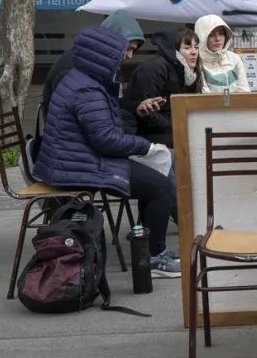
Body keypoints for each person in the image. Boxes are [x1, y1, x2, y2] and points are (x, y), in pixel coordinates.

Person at [33, 25, 181, 278]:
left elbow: (104, 133)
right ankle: (154, 256)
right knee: (159, 187)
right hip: (79, 167)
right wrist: (145, 146)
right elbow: (106, 141)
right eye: (122, 53)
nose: (125, 57)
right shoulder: (87, 90)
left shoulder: (82, 79)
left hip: (74, 160)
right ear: (102, 57)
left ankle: (144, 245)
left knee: (154, 176)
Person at [42, 10, 145, 116]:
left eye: (133, 50)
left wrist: (136, 107)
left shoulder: (109, 64)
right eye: (128, 49)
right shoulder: (72, 68)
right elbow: (67, 116)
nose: (130, 56)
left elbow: (116, 101)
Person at [123, 27, 203, 145]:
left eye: (196, 47)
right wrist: (177, 126)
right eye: (187, 47)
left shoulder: (189, 72)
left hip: (172, 130)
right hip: (148, 135)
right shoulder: (153, 69)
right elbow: (147, 115)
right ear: (173, 50)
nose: (194, 52)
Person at [194, 15, 251, 94]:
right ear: (202, 37)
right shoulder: (197, 63)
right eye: (211, 35)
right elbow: (206, 99)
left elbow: (244, 92)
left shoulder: (235, 59)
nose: (217, 39)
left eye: (221, 33)